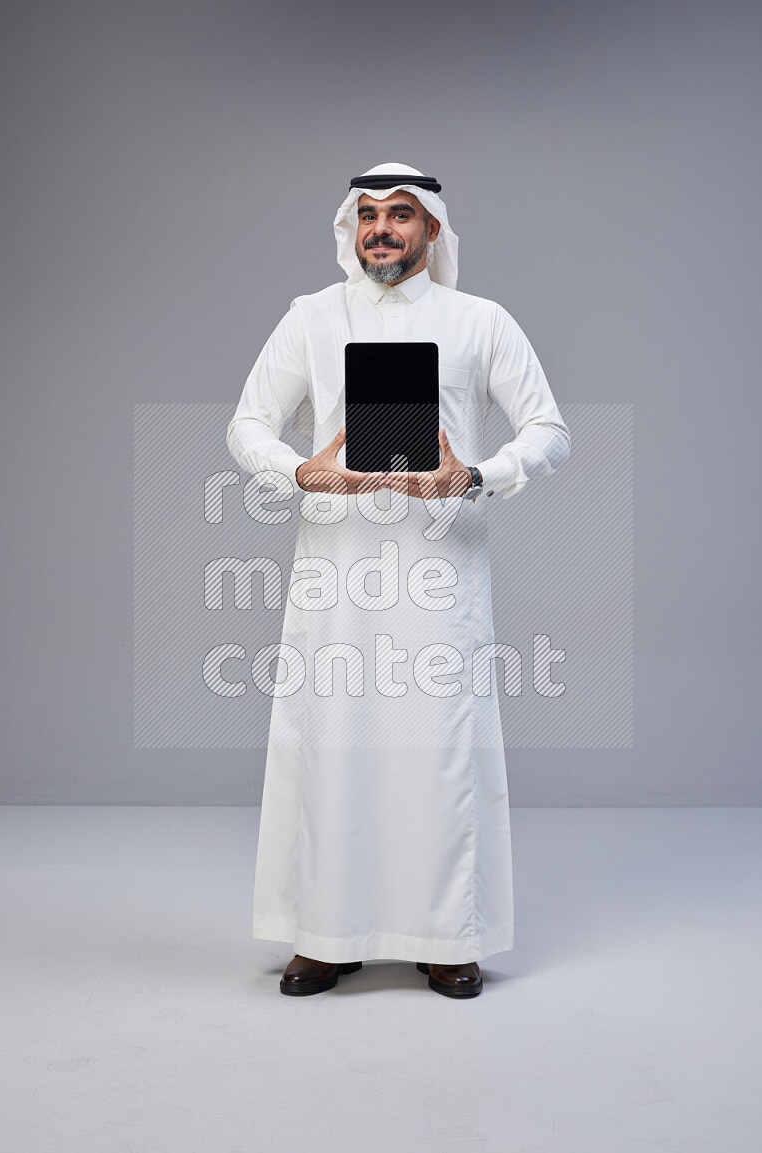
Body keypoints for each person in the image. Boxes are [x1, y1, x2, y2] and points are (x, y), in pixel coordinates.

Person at [226, 162, 570, 998]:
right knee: (332, 744)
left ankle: (448, 936)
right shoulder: (311, 319)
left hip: (440, 574)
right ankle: (325, 934)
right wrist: (303, 474)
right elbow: (246, 425)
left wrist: (476, 475)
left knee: (439, 753)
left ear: (434, 231)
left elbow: (550, 431)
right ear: (352, 227)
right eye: (369, 214)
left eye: (402, 214)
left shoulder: (479, 321)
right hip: (335, 574)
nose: (383, 228)